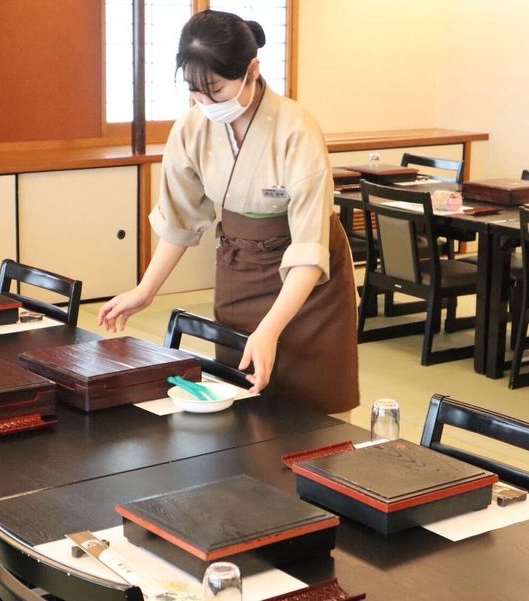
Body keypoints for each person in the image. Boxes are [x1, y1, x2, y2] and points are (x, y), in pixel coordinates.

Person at [98, 9, 359, 414]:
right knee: (242, 405)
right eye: (194, 91)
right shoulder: (191, 128)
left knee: (317, 412)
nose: (205, 103)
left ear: (252, 70)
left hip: (310, 289)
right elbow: (180, 221)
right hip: (240, 271)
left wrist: (270, 328)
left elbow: (310, 249)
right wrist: (145, 290)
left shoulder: (296, 128)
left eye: (216, 90)